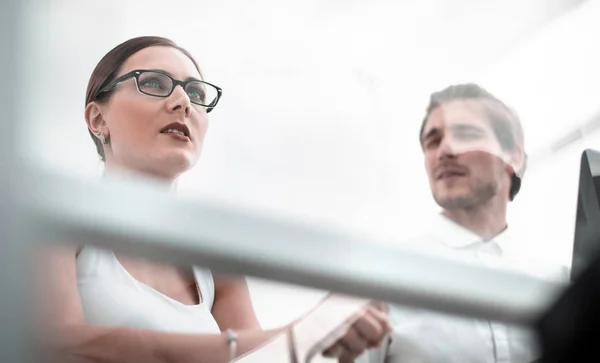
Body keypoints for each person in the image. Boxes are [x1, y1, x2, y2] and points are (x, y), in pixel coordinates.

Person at [36, 36, 391, 363]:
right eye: (154, 83)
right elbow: (55, 343)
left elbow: (262, 357)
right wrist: (298, 332)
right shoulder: (53, 219)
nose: (182, 103)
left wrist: (330, 325)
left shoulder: (215, 263)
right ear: (97, 119)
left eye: (196, 94)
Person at [359, 83, 569, 363]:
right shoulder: (381, 278)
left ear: (513, 157)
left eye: (466, 134)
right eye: (432, 141)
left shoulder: (561, 286)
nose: (444, 150)